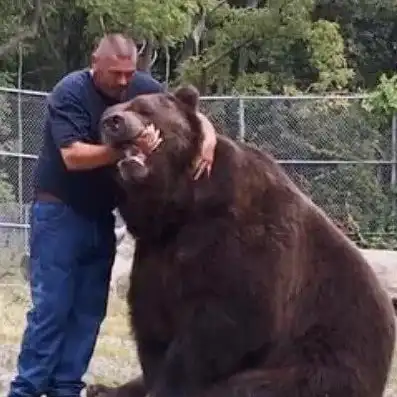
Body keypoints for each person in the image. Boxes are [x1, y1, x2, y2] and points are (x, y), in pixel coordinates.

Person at [7, 33, 217, 397]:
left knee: (89, 313)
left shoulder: (139, 86)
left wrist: (208, 140)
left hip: (102, 216)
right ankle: (27, 389)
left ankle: (65, 390)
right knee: (53, 308)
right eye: (115, 74)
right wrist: (126, 149)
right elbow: (73, 157)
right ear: (95, 62)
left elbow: (189, 112)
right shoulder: (70, 92)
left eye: (128, 73)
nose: (123, 82)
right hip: (59, 212)